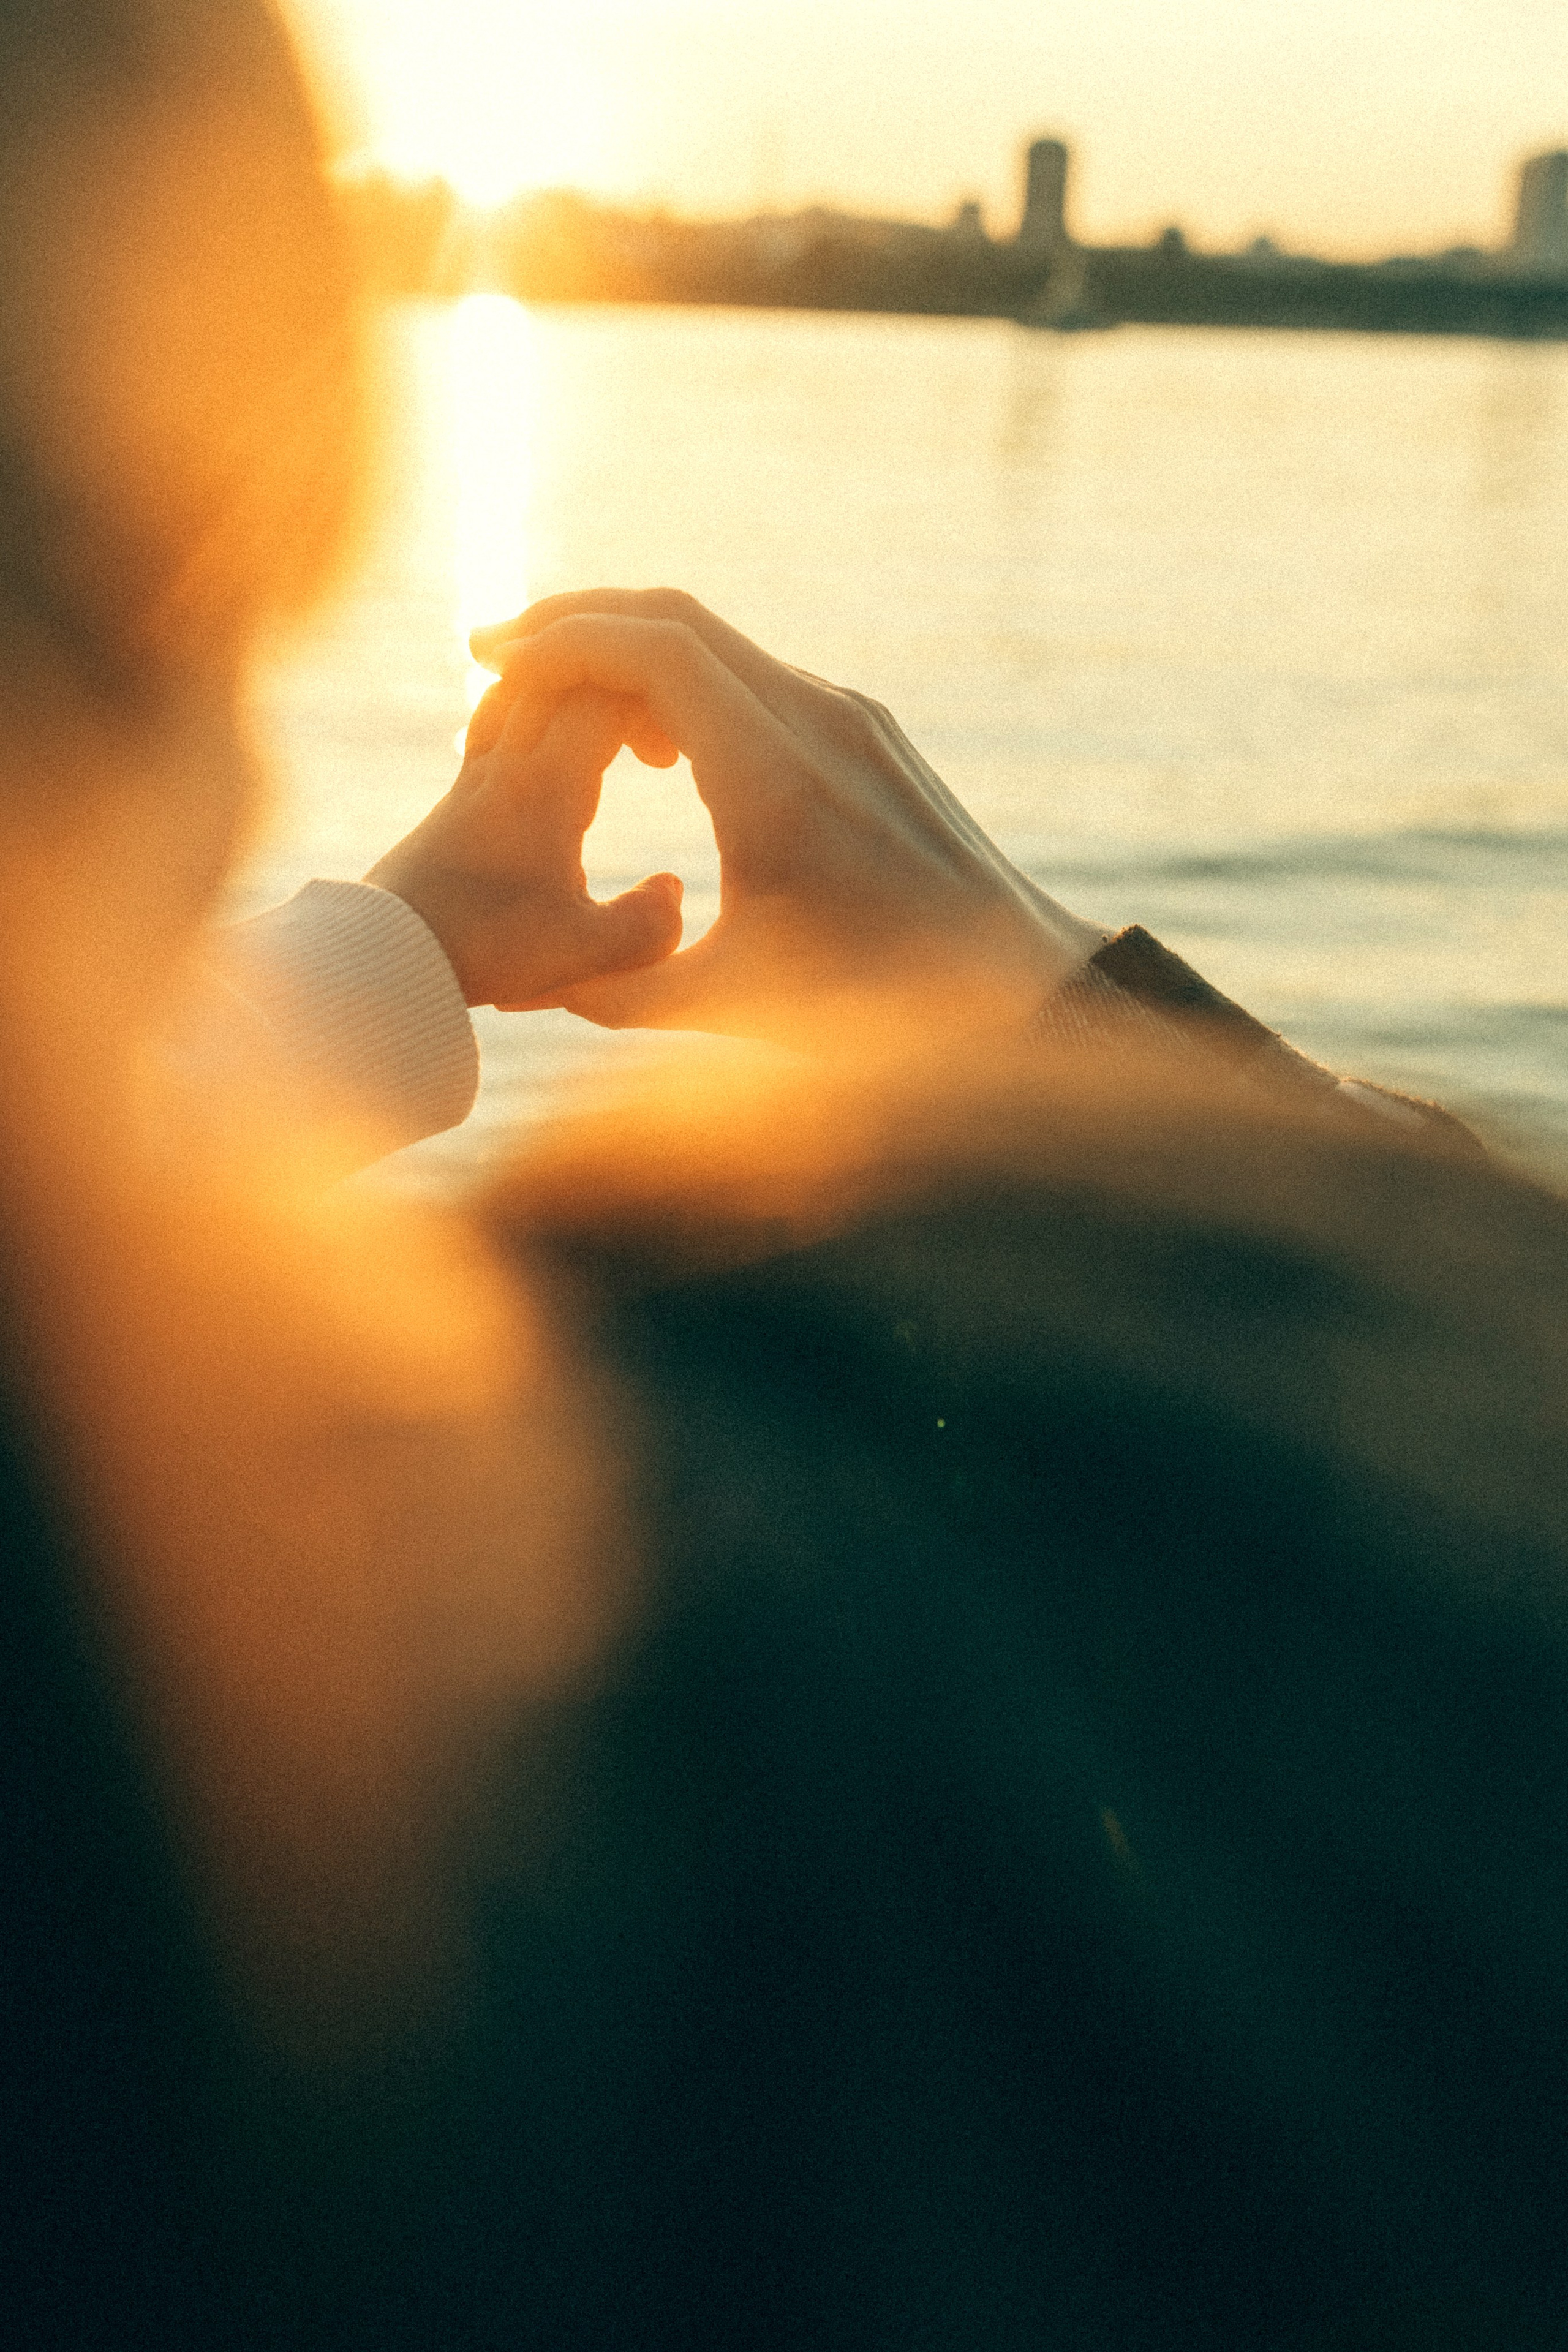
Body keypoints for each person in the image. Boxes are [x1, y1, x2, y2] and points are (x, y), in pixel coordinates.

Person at [0, 5, 1561, 2348]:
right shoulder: (504, 1854)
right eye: (165, 603)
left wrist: (403, 948)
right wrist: (1075, 1033)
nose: (235, 774)